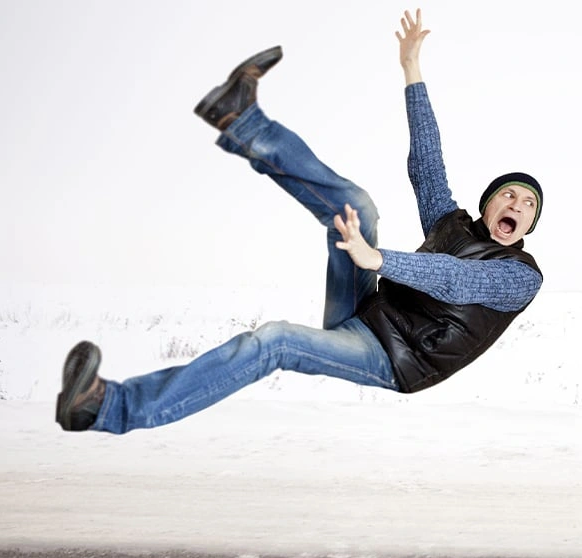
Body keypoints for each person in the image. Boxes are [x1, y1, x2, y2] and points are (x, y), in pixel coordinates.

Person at [56, 9, 544, 434]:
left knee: (276, 341)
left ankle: (106, 407)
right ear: (489, 204)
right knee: (358, 205)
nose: (517, 204)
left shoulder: (519, 278)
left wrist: (376, 259)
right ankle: (242, 121)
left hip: (395, 359)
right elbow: (427, 164)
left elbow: (457, 281)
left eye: (528, 204)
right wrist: (412, 69)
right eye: (509, 194)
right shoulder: (452, 224)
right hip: (368, 309)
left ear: (528, 226)